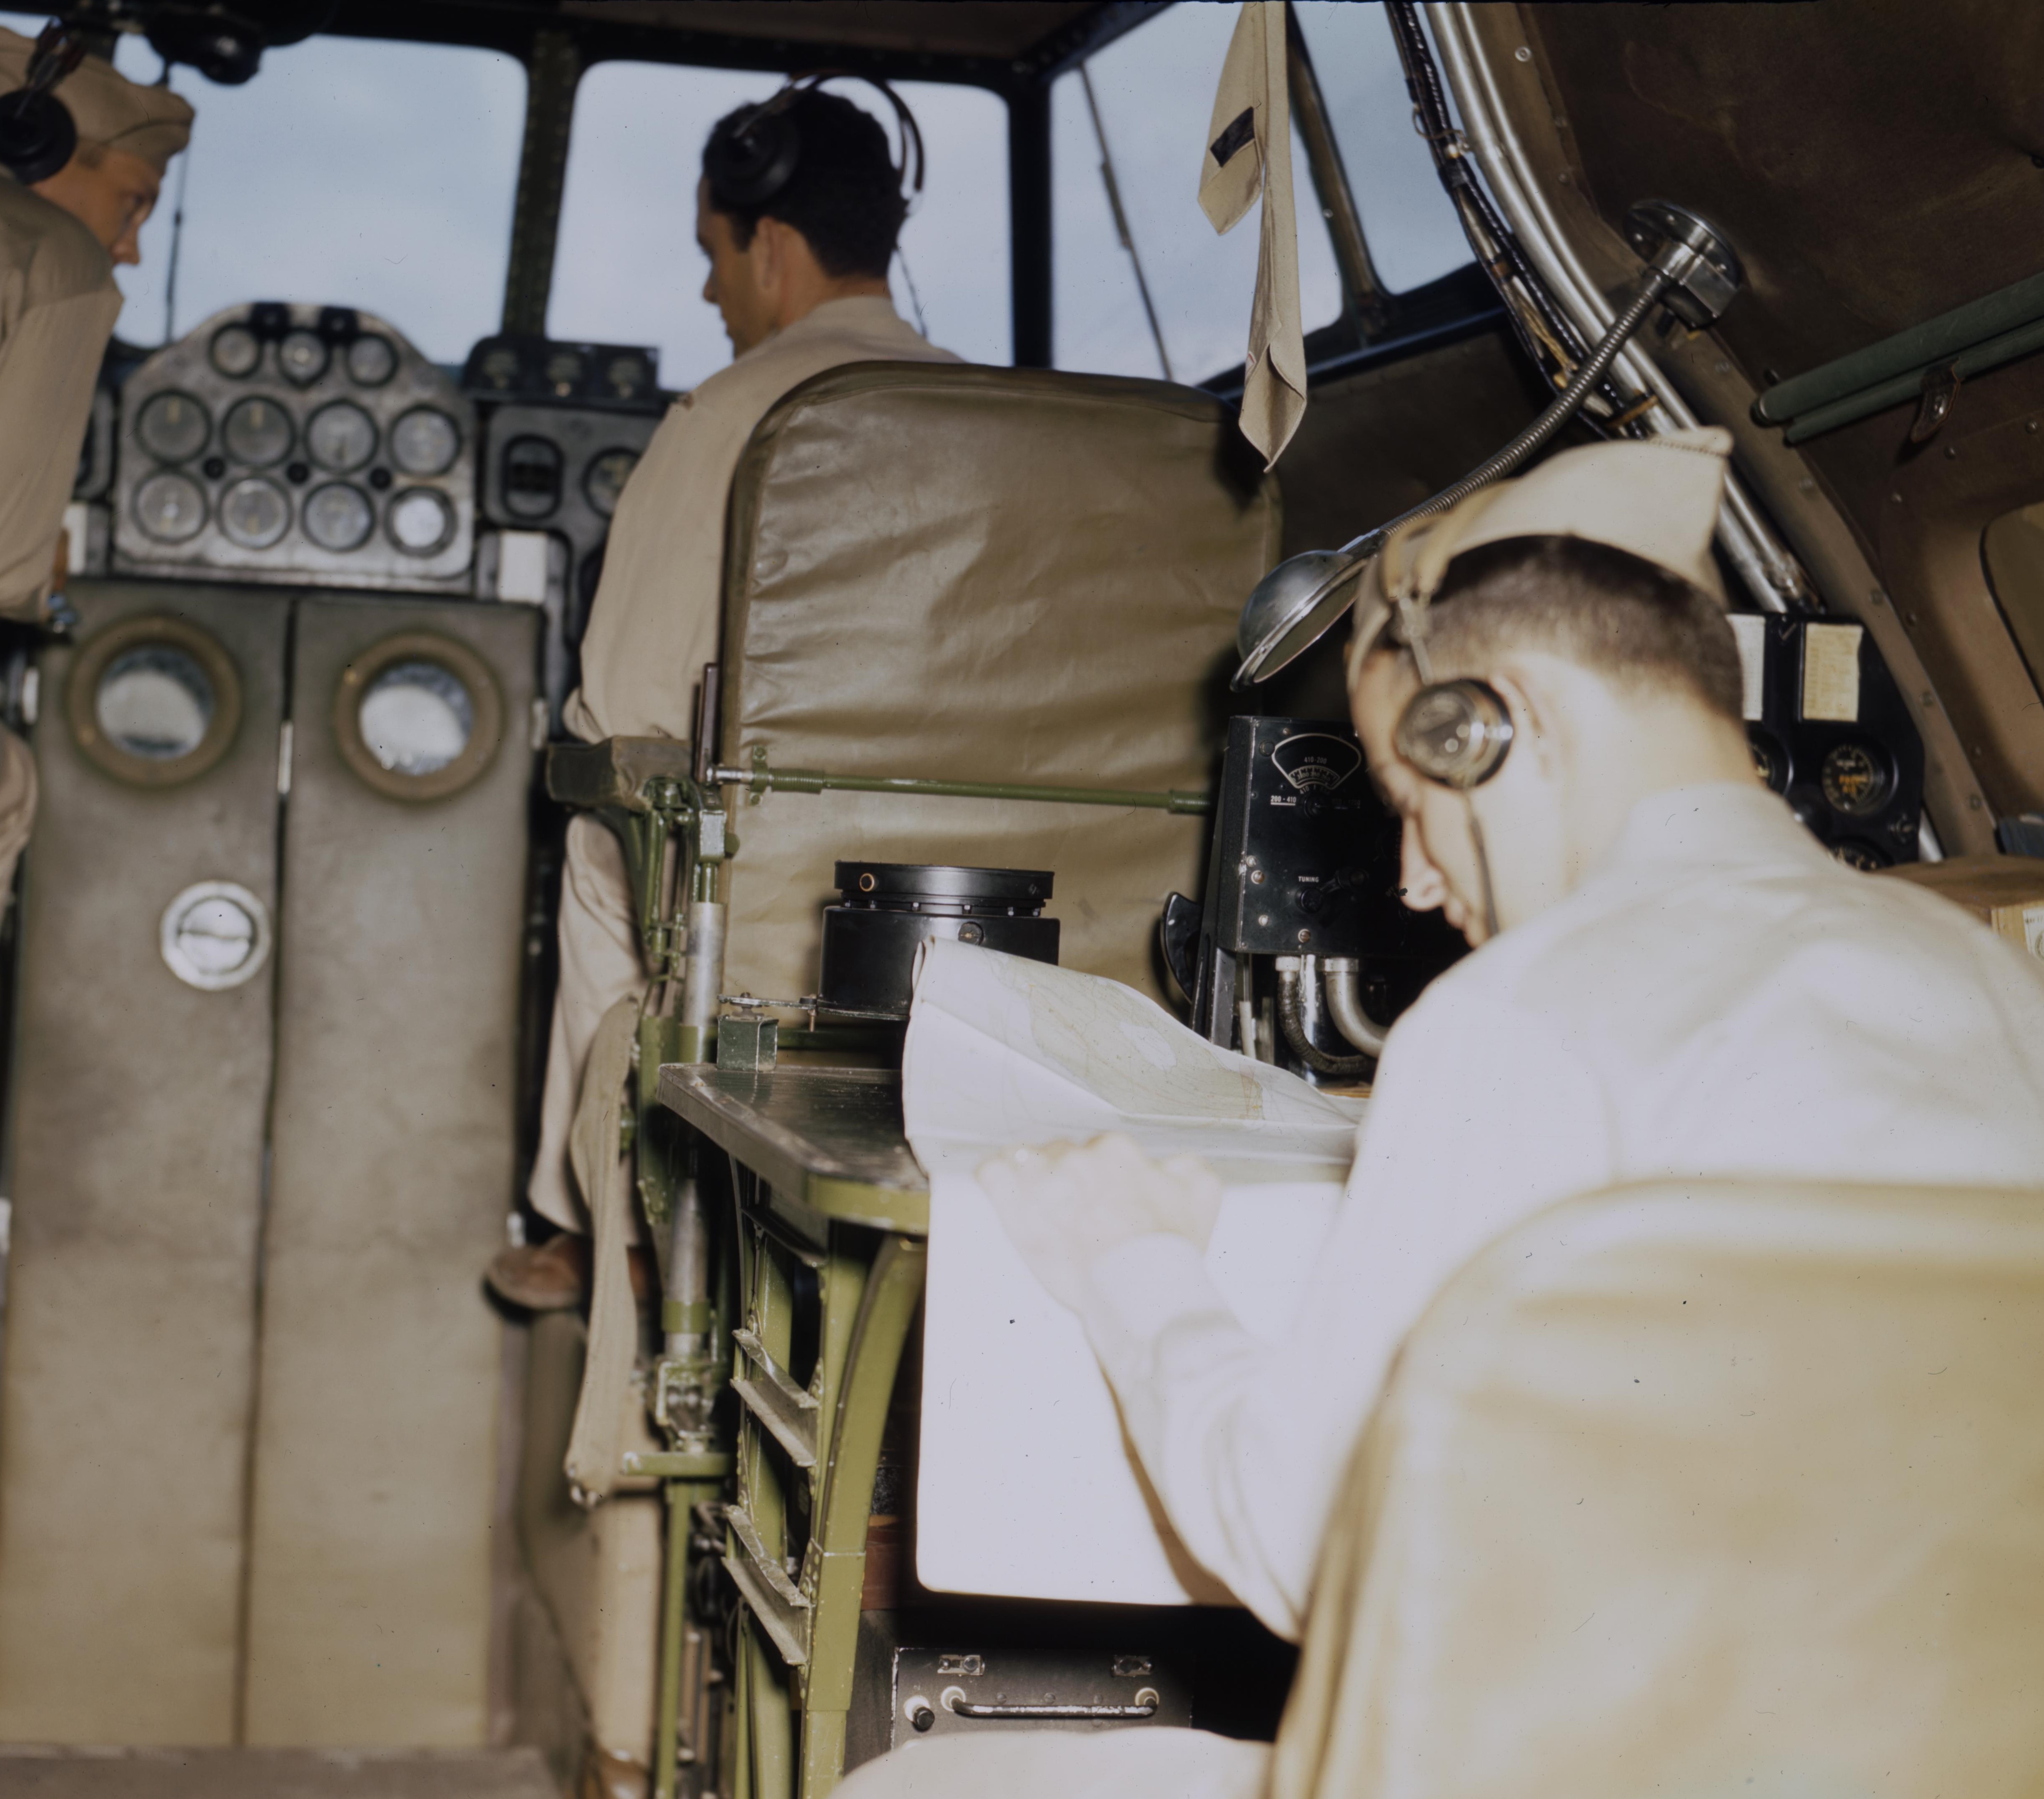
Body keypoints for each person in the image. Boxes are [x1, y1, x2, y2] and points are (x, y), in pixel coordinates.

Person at [838, 428, 2044, 1798]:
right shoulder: (1982, 982)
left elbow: (1308, 1553)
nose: (1413, 881)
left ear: (1495, 719)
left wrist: (1132, 1263)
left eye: (1413, 803)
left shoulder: (1511, 1018)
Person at [494, 87, 960, 1307]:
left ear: (768, 242)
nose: (712, 294)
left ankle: (596, 1222)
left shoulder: (735, 415)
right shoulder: (995, 410)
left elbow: (621, 706)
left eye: (714, 256)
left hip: (765, 904)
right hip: (976, 908)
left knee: (601, 825)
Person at [0, 25, 191, 1069]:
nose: (132, 244)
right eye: (133, 201)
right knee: (4, 790)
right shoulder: (55, 258)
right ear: (43, 142)